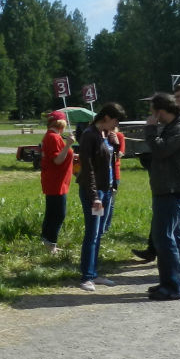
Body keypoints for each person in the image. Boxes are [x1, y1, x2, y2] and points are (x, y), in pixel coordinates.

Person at [144, 93, 180, 301]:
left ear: (160, 111)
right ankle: (172, 280)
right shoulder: (178, 126)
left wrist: (151, 130)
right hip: (172, 187)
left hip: (173, 188)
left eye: (153, 111)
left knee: (163, 236)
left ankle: (172, 286)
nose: (152, 116)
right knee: (175, 234)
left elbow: (160, 150)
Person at [76, 103, 124, 292]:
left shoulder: (105, 135)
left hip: (106, 190)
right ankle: (86, 276)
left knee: (99, 232)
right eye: (115, 120)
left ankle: (94, 273)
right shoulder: (89, 135)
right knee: (92, 233)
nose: (116, 124)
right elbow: (88, 169)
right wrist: (95, 195)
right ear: (106, 118)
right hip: (93, 192)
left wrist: (115, 144)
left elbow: (109, 162)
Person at [38, 111, 74, 254]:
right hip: (56, 182)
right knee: (58, 214)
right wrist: (69, 145)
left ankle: (47, 241)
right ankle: (51, 244)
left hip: (57, 181)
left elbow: (59, 157)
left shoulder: (53, 136)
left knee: (51, 212)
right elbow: (58, 160)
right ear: (61, 123)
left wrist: (72, 154)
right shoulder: (53, 137)